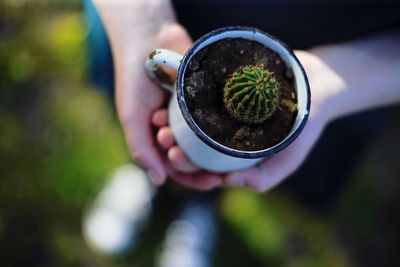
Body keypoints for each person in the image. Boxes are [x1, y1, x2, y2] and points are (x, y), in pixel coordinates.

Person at [90, 0, 400, 194]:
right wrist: (140, 17)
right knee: (149, 120)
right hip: (169, 9)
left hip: (351, 56)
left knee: (218, 169)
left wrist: (335, 78)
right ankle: (144, 176)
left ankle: (201, 206)